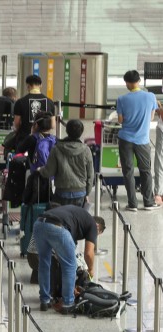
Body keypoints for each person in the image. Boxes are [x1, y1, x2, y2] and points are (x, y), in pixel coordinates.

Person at [33, 204, 106, 313]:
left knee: (44, 263)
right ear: (98, 228)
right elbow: (88, 253)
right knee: (70, 266)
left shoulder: (79, 217)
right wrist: (91, 269)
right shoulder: (92, 225)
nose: (94, 237)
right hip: (57, 227)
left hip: (39, 224)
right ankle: (68, 303)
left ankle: (45, 301)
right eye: (97, 235)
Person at [115, 69, 160, 212]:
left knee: (128, 171)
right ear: (139, 81)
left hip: (125, 139)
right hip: (143, 140)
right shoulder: (151, 97)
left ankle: (132, 204)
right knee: (146, 171)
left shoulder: (122, 99)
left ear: (127, 83)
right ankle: (148, 202)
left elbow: (121, 120)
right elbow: (152, 118)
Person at [40, 119, 95, 207]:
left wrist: (40, 170)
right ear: (81, 132)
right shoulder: (86, 150)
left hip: (61, 193)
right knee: (77, 220)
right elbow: (90, 175)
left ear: (66, 131)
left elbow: (49, 172)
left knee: (61, 219)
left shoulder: (56, 148)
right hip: (80, 193)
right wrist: (87, 193)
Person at [13, 75, 55, 150]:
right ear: (41, 85)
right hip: (45, 141)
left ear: (28, 86)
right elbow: (53, 125)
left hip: (25, 139)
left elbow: (16, 124)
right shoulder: (50, 102)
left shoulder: (20, 102)